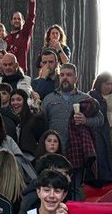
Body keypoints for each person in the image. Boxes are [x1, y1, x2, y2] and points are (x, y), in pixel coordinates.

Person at [41, 63, 103, 196]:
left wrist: (86, 121)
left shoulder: (86, 99)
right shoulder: (48, 99)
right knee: (54, 188)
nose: (65, 78)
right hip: (55, 152)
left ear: (76, 79)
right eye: (62, 75)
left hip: (77, 152)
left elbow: (100, 120)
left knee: (75, 189)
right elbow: (42, 124)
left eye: (69, 75)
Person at [4, 0, 37, 70]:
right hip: (6, 71)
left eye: (19, 19)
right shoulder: (6, 38)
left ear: (23, 21)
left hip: (20, 72)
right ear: (11, 21)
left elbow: (31, 16)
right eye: (14, 19)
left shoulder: (25, 33)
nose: (17, 20)